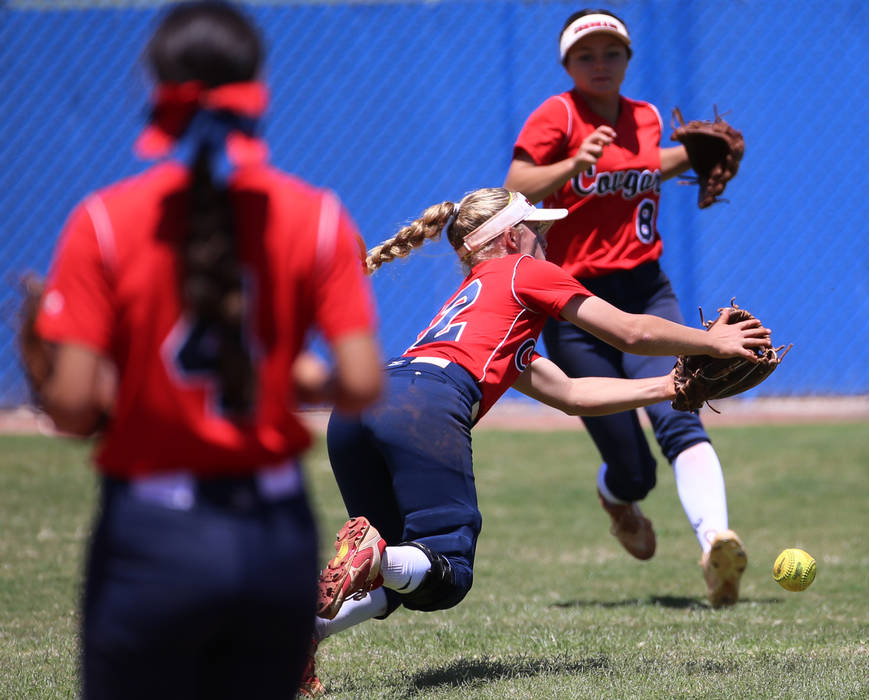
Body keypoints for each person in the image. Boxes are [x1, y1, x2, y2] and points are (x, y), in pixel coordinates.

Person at [32, 3, 384, 698]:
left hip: (151, 533)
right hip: (272, 530)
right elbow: (362, 382)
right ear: (260, 87)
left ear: (155, 85)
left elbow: (72, 407)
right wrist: (281, 377)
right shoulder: (315, 217)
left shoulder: (104, 220)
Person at [300, 187, 771, 695]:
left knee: (399, 570)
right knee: (447, 573)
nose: (546, 239)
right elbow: (629, 332)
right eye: (538, 230)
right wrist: (710, 341)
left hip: (360, 406)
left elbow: (570, 393)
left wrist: (669, 387)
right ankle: (373, 556)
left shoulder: (477, 301)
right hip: (424, 405)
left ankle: (300, 641)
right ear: (511, 237)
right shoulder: (525, 270)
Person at [502, 8, 751, 608]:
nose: (600, 63)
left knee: (680, 407)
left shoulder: (642, 117)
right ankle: (619, 498)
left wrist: (686, 157)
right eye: (586, 55)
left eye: (611, 52)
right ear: (567, 65)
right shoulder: (557, 116)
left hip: (645, 288)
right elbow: (514, 184)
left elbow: (643, 165)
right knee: (634, 470)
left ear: (627, 59)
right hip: (577, 306)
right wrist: (573, 164)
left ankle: (717, 541)